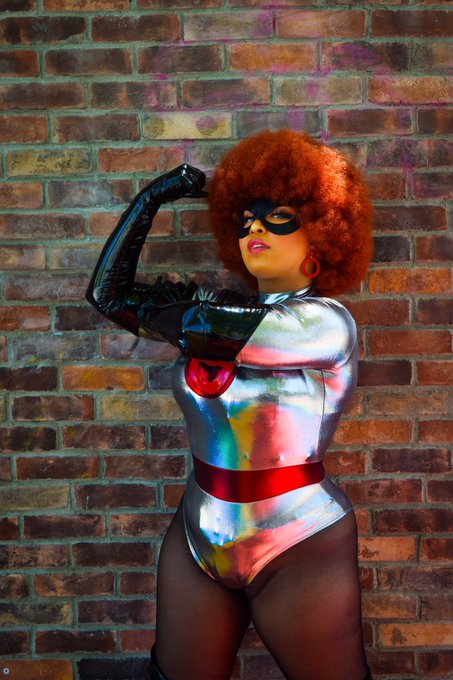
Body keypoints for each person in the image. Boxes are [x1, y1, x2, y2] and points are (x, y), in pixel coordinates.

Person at [86, 129, 374, 680]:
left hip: (298, 537)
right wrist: (153, 198)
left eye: (277, 218)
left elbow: (206, 326)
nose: (255, 229)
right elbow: (109, 297)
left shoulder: (327, 324)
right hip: (200, 529)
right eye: (244, 222)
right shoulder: (218, 308)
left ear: (323, 232)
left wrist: (170, 313)